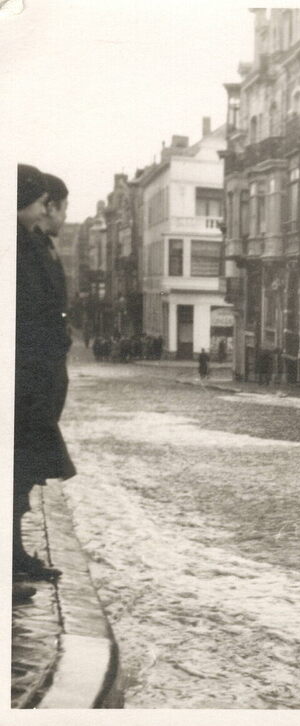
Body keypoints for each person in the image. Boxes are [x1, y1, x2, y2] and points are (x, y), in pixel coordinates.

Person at [15, 166, 74, 599]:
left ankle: (14, 555)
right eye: (51, 205)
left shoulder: (34, 243)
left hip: (36, 378)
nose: (55, 215)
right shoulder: (20, 246)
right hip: (26, 379)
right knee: (18, 468)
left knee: (24, 471)